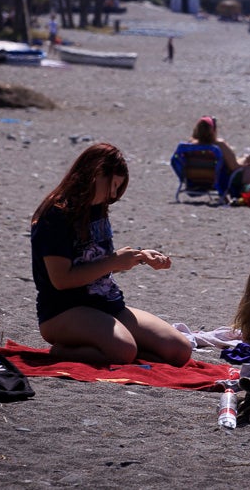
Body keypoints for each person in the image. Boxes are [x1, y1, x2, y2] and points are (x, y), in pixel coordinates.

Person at [30, 142, 192, 366]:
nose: (114, 195)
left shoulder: (95, 208)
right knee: (123, 351)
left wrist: (139, 256)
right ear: (95, 175)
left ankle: (117, 348)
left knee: (179, 350)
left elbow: (93, 260)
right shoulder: (56, 215)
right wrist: (113, 262)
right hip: (64, 310)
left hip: (107, 304)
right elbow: (62, 280)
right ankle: (63, 350)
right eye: (113, 186)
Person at [190, 115, 250, 196]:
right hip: (222, 182)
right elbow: (234, 167)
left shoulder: (189, 146)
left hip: (197, 181)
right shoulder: (219, 145)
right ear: (213, 130)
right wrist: (246, 159)